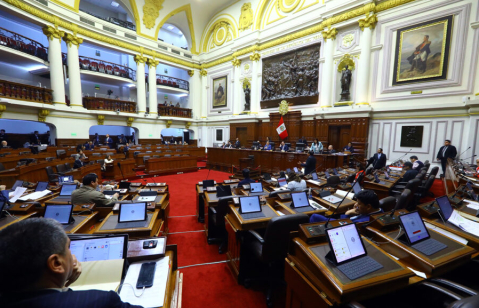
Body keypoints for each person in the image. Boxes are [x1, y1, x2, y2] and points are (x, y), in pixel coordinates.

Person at [0, 218, 143, 308]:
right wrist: (64, 288)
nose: (72, 255)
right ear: (56, 264)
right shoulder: (101, 301)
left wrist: (60, 283)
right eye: (68, 247)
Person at [309, 190, 382, 223]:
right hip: (354, 218)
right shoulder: (380, 210)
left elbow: (342, 225)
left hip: (342, 224)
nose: (355, 205)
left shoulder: (360, 222)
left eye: (359, 203)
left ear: (368, 207)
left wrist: (347, 213)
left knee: (314, 216)